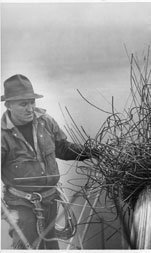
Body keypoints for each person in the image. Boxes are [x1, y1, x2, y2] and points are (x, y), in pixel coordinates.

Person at [1, 74, 94, 249]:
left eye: (32, 102)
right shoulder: (2, 136)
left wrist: (91, 152)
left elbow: (63, 148)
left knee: (51, 246)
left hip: (50, 201)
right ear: (8, 105)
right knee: (27, 246)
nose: (30, 108)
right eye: (23, 104)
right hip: (20, 205)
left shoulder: (46, 121)